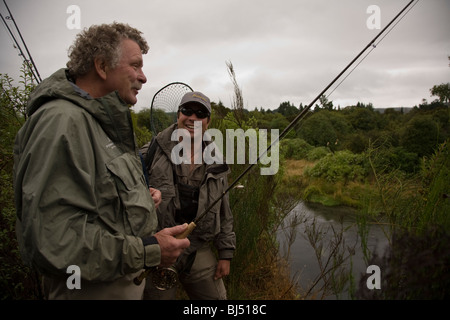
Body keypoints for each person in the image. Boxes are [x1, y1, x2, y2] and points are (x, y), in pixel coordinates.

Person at [13, 22, 190, 300]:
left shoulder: (101, 122)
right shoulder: (61, 122)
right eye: (135, 65)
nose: (143, 77)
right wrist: (149, 250)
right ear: (102, 66)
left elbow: (97, 203)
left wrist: (140, 200)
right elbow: (55, 240)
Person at [140, 91, 236, 300]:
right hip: (158, 247)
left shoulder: (217, 161)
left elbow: (224, 210)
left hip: (198, 248)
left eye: (200, 113)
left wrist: (225, 254)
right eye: (187, 111)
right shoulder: (152, 151)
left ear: (207, 122)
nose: (193, 118)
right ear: (178, 115)